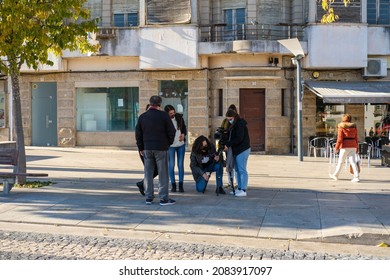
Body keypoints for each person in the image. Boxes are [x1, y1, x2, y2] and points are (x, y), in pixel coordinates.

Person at [135, 95, 176, 205]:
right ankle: (163, 198)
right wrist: (168, 143)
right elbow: (172, 131)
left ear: (150, 103)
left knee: (148, 173)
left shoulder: (143, 117)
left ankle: (149, 197)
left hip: (147, 148)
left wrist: (141, 147)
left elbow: (138, 134)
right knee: (163, 173)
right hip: (161, 148)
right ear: (160, 104)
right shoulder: (164, 116)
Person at [223, 109, 251, 197]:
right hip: (237, 150)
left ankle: (243, 189)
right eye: (228, 119)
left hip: (242, 149)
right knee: (237, 170)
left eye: (230, 119)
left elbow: (239, 138)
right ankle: (239, 188)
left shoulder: (240, 124)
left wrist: (228, 144)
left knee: (242, 169)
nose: (229, 121)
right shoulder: (233, 124)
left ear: (234, 117)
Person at [329, 114, 360, 182]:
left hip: (345, 146)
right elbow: (356, 138)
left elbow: (339, 139)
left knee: (340, 162)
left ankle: (335, 175)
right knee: (353, 161)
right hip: (353, 145)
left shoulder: (341, 126)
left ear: (343, 119)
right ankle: (356, 176)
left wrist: (336, 148)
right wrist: (357, 147)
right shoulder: (354, 127)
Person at [135, 104, 158, 196]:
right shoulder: (142, 119)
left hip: (154, 148)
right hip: (144, 149)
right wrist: (141, 148)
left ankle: (143, 184)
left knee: (155, 170)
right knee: (151, 170)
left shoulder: (156, 120)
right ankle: (147, 189)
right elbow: (138, 135)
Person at [164, 105, 187, 193]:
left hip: (181, 144)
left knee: (180, 165)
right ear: (167, 114)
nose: (173, 114)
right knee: (171, 165)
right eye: (170, 113)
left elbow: (184, 127)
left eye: (173, 112)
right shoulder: (165, 120)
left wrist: (183, 134)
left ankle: (181, 185)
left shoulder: (179, 117)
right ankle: (173, 185)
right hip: (171, 146)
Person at [220, 104, 237, 188]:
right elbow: (221, 131)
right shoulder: (225, 121)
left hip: (235, 146)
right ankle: (230, 182)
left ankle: (237, 182)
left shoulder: (237, 121)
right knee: (228, 163)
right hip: (227, 145)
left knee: (235, 164)